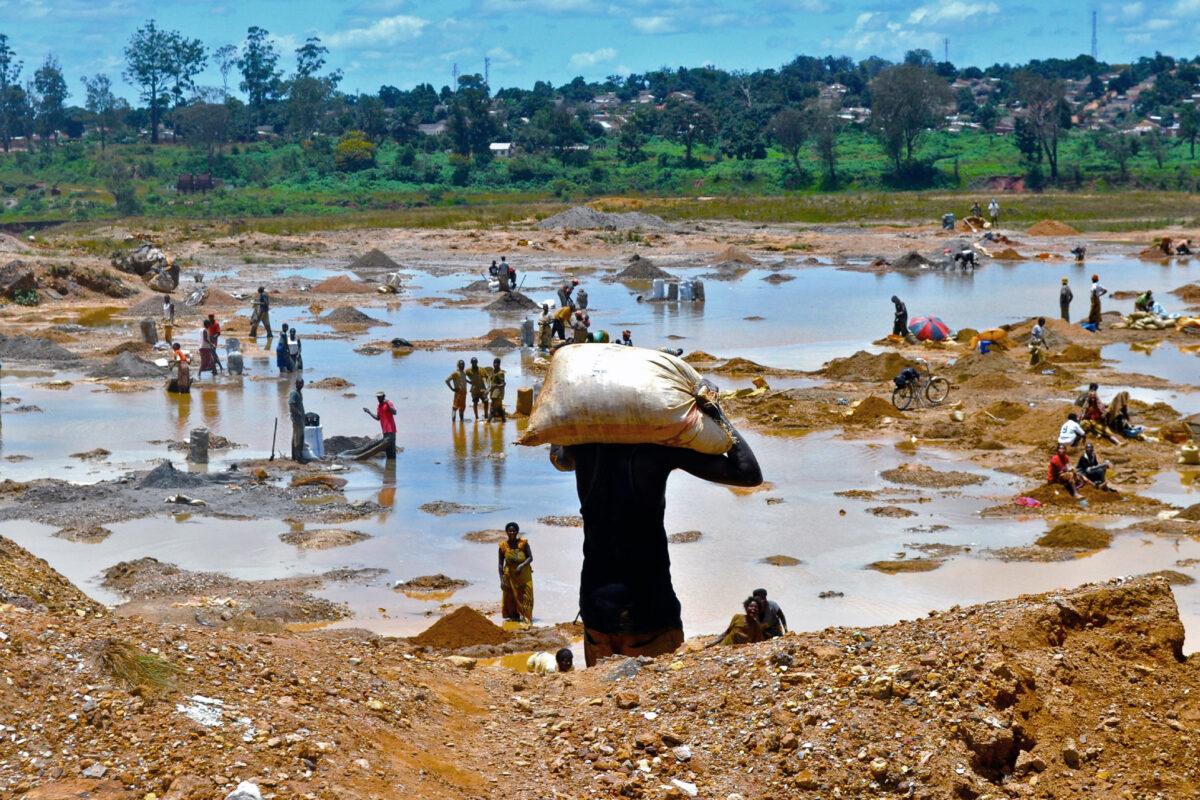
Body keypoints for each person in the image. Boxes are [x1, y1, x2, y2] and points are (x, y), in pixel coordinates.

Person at [549, 399, 762, 667]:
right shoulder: (659, 450)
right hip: (649, 613)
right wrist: (716, 414)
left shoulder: (580, 449)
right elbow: (749, 474)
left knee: (603, 701)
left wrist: (563, 412)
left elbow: (557, 451)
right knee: (653, 702)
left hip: (596, 614)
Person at [498, 522, 533, 624]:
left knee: (526, 596)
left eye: (514, 531)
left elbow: (530, 558)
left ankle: (527, 617)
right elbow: (500, 564)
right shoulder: (503, 546)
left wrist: (521, 566)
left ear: (517, 532)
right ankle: (514, 618)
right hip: (509, 576)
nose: (512, 532)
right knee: (510, 597)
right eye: (510, 531)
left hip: (524, 574)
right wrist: (501, 580)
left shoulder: (523, 544)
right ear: (506, 532)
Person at [363, 390, 397, 459]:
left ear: (383, 397)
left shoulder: (389, 403)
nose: (379, 399)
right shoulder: (379, 406)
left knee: (392, 451)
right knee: (388, 451)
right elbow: (378, 418)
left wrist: (387, 404)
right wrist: (369, 412)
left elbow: (394, 412)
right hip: (385, 431)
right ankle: (389, 467)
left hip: (391, 431)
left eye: (380, 397)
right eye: (378, 397)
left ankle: (391, 467)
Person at [288, 378, 307, 463]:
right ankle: (297, 456)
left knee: (297, 437)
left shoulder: (299, 393)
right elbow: (291, 404)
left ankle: (295, 455)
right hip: (296, 419)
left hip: (300, 419)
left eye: (301, 384)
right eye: (298, 383)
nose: (299, 385)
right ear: (295, 384)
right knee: (297, 438)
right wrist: (298, 412)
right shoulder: (294, 393)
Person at [488, 357, 507, 422]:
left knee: (492, 409)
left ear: (499, 364)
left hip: (497, 394)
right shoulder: (494, 372)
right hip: (493, 393)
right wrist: (489, 390)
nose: (495, 364)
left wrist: (496, 386)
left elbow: (503, 384)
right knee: (499, 409)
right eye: (494, 363)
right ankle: (504, 421)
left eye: (496, 363)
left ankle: (488, 423)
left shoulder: (500, 373)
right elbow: (492, 382)